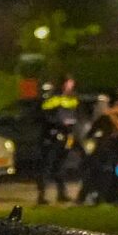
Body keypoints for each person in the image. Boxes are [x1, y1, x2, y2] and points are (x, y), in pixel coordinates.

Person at [35, 75, 83, 205]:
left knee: (60, 165)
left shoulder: (72, 97)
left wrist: (72, 126)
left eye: (72, 84)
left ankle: (61, 194)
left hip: (66, 136)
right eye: (68, 83)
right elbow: (45, 115)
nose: (70, 86)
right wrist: (59, 123)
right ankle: (41, 195)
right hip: (52, 136)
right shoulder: (53, 97)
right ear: (63, 84)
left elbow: (76, 114)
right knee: (47, 165)